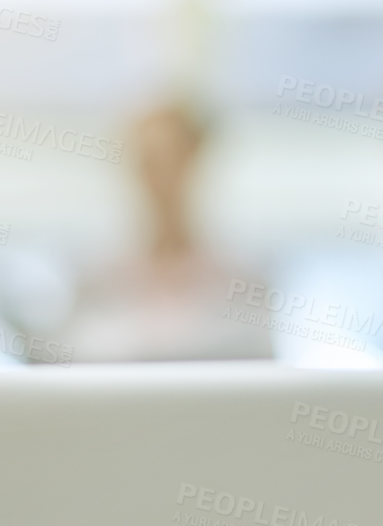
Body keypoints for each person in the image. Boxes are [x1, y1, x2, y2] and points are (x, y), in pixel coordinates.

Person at [63, 98, 274, 361]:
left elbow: (257, 368)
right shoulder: (96, 278)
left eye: (173, 161)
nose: (162, 180)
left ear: (197, 164)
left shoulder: (243, 278)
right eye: (150, 163)